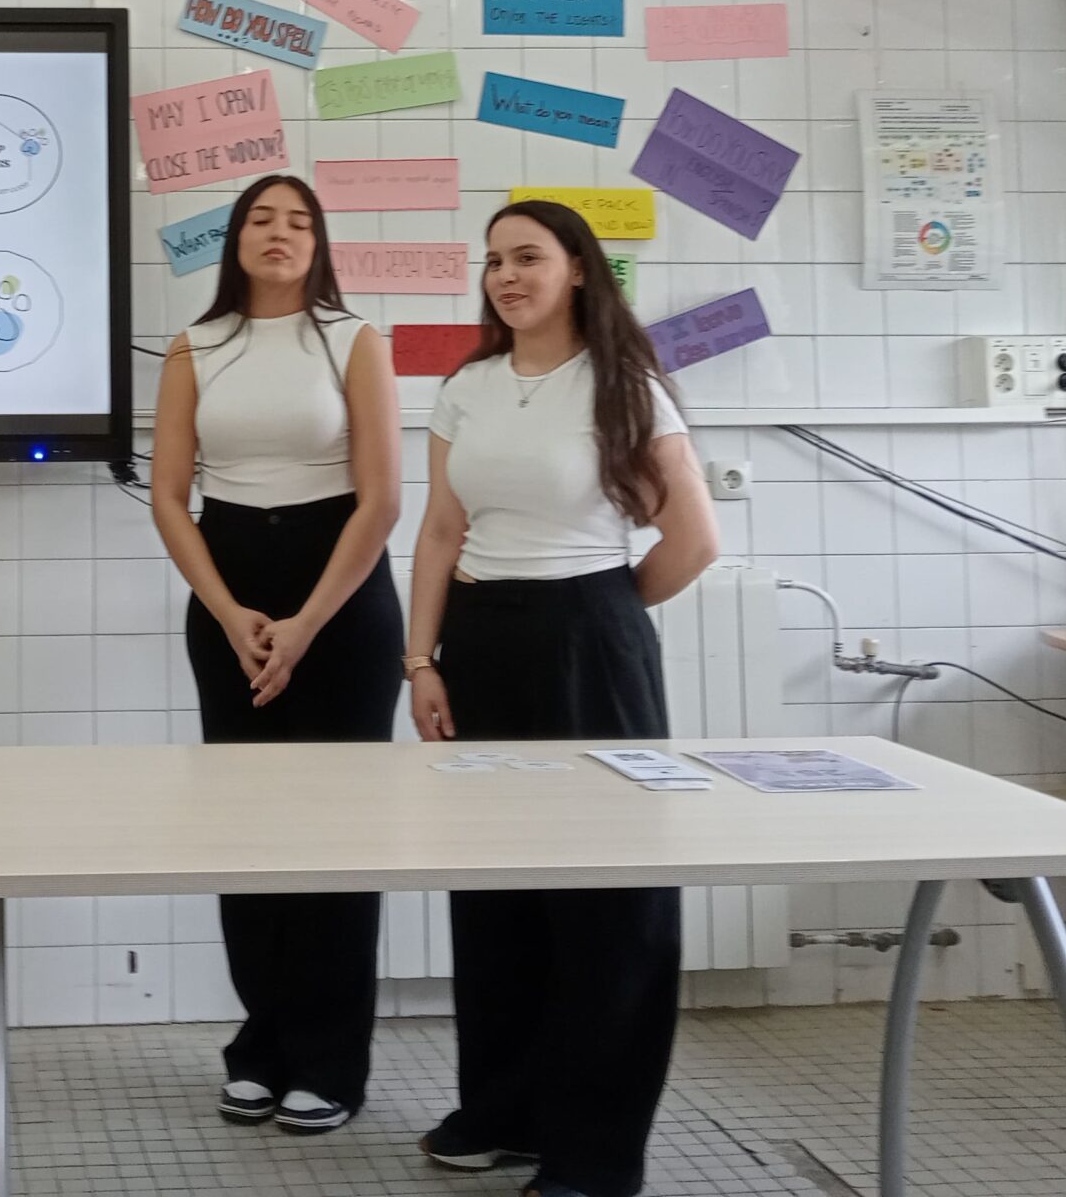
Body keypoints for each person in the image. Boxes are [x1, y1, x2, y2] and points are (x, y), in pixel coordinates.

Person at [403, 200, 719, 1197]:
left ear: (578, 267)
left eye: (527, 256)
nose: (505, 275)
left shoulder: (625, 386)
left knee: (609, 903)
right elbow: (441, 530)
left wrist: (602, 612)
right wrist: (421, 661)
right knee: (496, 893)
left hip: (591, 641)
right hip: (479, 643)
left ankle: (595, 1151)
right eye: (493, 260)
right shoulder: (467, 386)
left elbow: (693, 539)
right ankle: (504, 1112)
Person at [148, 171, 404, 1134]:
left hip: (341, 591)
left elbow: (382, 499)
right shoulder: (196, 344)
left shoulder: (354, 339)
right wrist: (227, 611)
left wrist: (305, 624)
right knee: (245, 829)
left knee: (337, 835)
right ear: (237, 239)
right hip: (231, 588)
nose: (279, 232)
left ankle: (331, 1061)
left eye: (299, 221)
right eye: (261, 218)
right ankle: (261, 1044)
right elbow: (170, 495)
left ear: (319, 243)